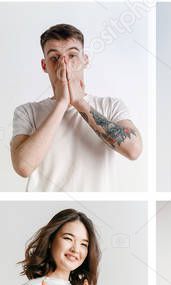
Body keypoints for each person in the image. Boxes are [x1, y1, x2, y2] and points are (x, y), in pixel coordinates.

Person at [10, 23, 142, 192]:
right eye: (54, 58)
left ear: (85, 60)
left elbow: (133, 150)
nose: (64, 64)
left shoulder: (110, 106)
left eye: (72, 55)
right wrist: (61, 103)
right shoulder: (27, 112)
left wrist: (79, 103)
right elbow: (23, 167)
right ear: (44, 66)